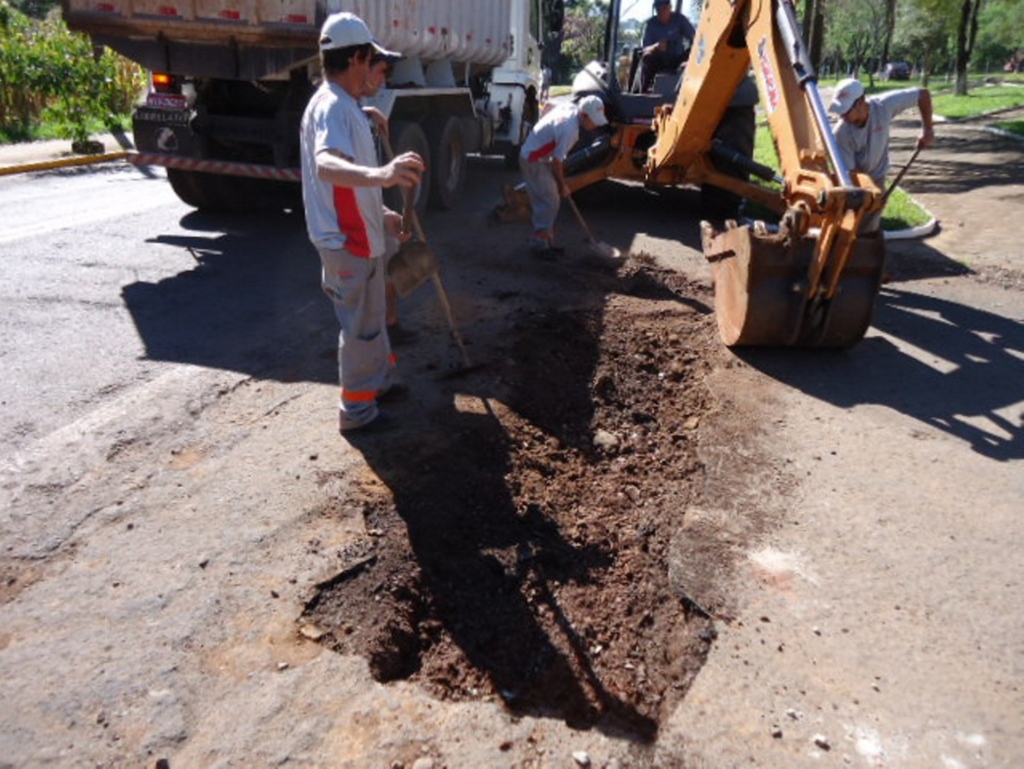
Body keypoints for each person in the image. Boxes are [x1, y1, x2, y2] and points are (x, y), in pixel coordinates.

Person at [300, 12, 425, 434]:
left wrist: (384, 214)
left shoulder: (344, 104)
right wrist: (385, 175)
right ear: (357, 58)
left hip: (360, 235)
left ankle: (379, 385)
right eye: (376, 63)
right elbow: (327, 165)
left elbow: (353, 185)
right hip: (347, 242)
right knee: (361, 331)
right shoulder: (334, 106)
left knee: (373, 320)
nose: (381, 74)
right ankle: (356, 413)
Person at [829, 77, 935, 230]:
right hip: (854, 184)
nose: (842, 116)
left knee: (869, 229)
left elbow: (923, 95)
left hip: (878, 177)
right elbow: (852, 175)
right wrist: (870, 195)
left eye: (846, 111)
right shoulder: (841, 134)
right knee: (850, 227)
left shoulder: (884, 106)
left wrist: (928, 130)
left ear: (860, 102)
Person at [518, 95, 609, 258]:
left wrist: (543, 133)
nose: (595, 125)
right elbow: (557, 162)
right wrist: (563, 185)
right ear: (583, 115)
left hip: (538, 155)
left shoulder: (569, 107)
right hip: (533, 159)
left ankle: (546, 242)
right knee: (550, 200)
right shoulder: (570, 131)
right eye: (594, 120)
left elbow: (547, 105)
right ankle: (539, 246)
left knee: (550, 198)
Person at [638, 0, 695, 93]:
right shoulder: (650, 24)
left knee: (694, 51)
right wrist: (656, 47)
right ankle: (644, 92)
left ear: (670, 7)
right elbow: (645, 49)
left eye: (664, 8)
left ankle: (691, 92)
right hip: (659, 61)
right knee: (647, 57)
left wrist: (689, 60)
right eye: (658, 9)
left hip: (677, 60)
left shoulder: (680, 20)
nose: (661, 12)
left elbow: (695, 39)